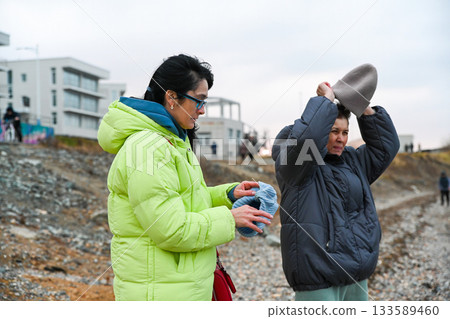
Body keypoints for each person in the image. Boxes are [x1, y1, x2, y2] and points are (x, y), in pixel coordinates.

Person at [97, 54, 273, 301]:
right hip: (161, 293)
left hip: (175, 288)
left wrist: (228, 195)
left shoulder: (171, 141)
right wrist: (230, 218)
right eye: (198, 101)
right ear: (171, 97)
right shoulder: (149, 147)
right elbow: (170, 229)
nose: (202, 110)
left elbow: (184, 200)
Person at [272, 64, 399, 301]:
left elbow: (386, 148)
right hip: (317, 277)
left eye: (344, 132)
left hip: (356, 273)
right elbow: (306, 140)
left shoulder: (353, 161)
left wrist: (361, 106)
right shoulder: (296, 166)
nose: (340, 138)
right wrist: (326, 101)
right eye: (333, 131)